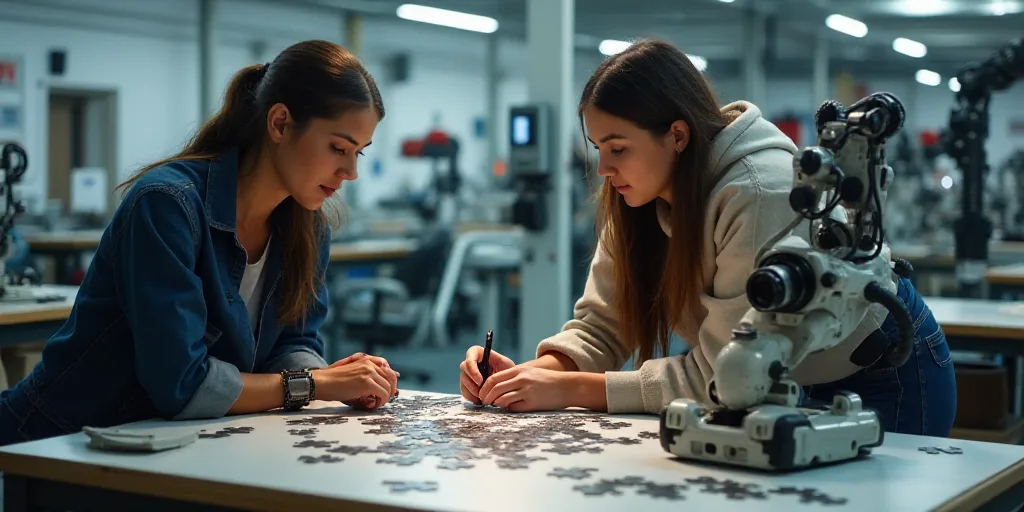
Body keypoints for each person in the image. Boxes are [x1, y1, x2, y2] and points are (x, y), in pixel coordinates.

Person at [459, 38, 957, 437]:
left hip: (879, 373)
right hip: (773, 384)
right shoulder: (638, 193)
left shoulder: (760, 191)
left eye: (617, 148)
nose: (604, 168)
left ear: (677, 135)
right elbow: (602, 325)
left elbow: (723, 374)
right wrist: (531, 376)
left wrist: (570, 389)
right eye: (597, 148)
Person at [0, 40, 401, 446]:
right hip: (57, 439)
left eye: (359, 154)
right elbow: (182, 384)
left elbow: (293, 342)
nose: (350, 172)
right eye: (338, 148)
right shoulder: (167, 206)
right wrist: (315, 384)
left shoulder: (309, 228)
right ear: (280, 123)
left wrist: (345, 382)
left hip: (173, 442)